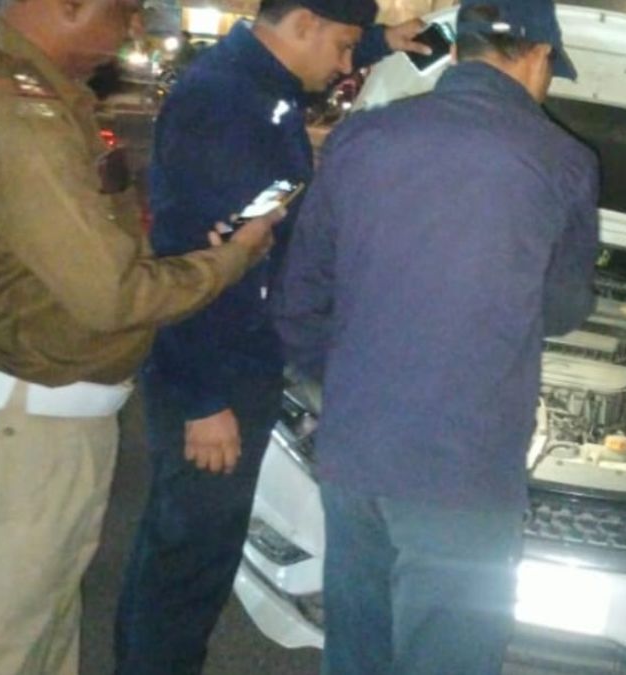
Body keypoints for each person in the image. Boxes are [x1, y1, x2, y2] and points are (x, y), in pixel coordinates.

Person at [272, 0, 599, 671]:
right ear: (539, 56)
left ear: (457, 50)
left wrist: (345, 391)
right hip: (462, 468)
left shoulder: (363, 136)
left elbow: (300, 297)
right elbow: (565, 307)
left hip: (355, 455)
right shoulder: (563, 158)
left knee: (357, 651)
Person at [0, 0, 281, 672]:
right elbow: (114, 296)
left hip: (40, 418)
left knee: (43, 628)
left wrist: (188, 262)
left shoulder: (37, 93)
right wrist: (233, 258)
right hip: (27, 428)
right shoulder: (17, 114)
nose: (133, 27)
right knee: (4, 641)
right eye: (126, 10)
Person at [112, 1, 428, 673]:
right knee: (187, 561)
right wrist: (203, 399)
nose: (346, 64)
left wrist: (380, 40)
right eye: (343, 46)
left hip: (237, 360)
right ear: (304, 23)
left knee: (191, 549)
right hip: (213, 371)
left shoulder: (260, 83)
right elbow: (183, 258)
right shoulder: (225, 103)